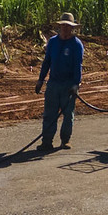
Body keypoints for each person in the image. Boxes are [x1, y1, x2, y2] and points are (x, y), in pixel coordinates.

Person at [35, 12, 84, 151]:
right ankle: (47, 141)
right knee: (49, 113)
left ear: (72, 28)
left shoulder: (76, 44)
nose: (65, 28)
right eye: (63, 26)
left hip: (68, 84)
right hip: (53, 83)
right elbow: (47, 62)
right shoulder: (53, 42)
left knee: (68, 114)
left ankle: (65, 140)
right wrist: (40, 80)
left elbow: (77, 66)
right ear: (59, 26)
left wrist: (76, 84)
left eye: (68, 26)